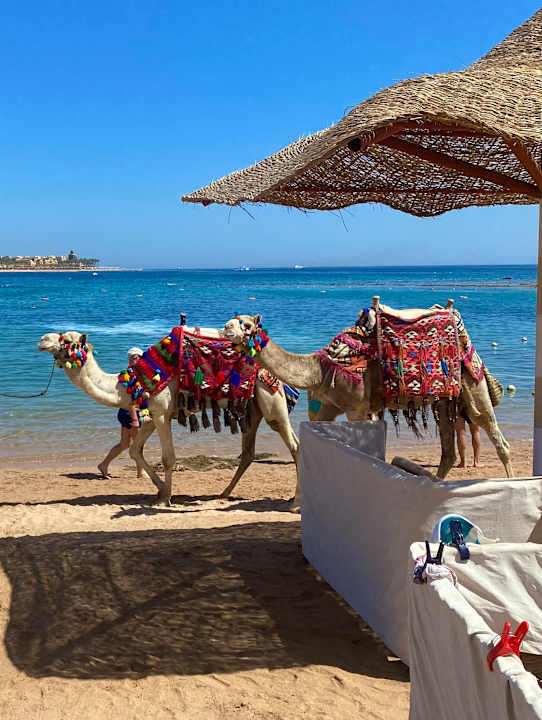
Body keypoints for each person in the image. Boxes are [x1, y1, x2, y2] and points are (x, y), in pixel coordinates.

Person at [98, 346, 146, 478]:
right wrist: (135, 419)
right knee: (138, 445)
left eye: (138, 357)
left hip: (126, 412)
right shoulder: (130, 377)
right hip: (131, 414)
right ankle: (140, 472)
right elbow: (130, 399)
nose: (136, 359)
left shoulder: (133, 374)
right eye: (133, 357)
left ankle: (103, 464)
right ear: (130, 359)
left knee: (124, 444)